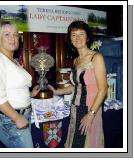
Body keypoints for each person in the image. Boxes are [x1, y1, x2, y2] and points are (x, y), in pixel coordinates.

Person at [0, 21, 40, 148]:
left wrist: (30, 94)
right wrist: (16, 117)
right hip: (8, 119)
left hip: (18, 116)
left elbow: (12, 89)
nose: (12, 38)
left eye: (15, 35)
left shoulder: (13, 61)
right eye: (7, 34)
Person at [48, 20, 108, 148]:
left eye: (81, 34)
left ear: (87, 37)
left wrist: (91, 114)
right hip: (75, 108)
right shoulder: (76, 61)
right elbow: (77, 86)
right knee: (74, 145)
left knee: (87, 145)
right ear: (70, 39)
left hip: (90, 109)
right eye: (74, 35)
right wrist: (56, 92)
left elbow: (103, 89)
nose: (77, 38)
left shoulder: (96, 57)